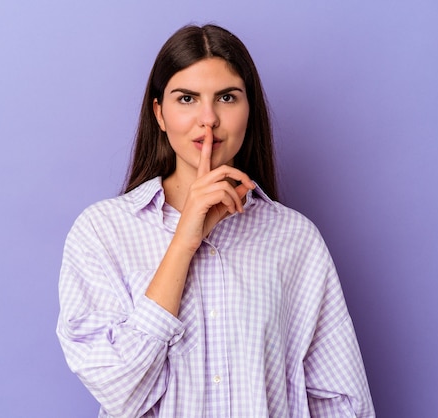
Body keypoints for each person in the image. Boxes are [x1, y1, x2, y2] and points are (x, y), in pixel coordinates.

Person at [57, 24, 375, 417]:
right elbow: (118, 388)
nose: (208, 119)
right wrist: (183, 242)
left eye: (227, 97)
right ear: (159, 113)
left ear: (249, 109)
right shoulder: (103, 232)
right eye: (187, 98)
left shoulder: (295, 238)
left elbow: (341, 401)